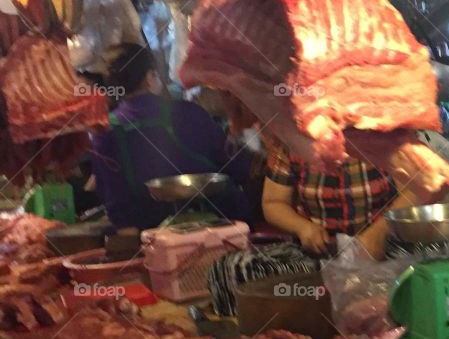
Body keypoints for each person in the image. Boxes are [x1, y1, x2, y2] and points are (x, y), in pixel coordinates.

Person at [89, 43, 250, 232]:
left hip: (150, 235)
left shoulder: (104, 131)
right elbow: (238, 167)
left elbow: (116, 205)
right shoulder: (189, 113)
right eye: (156, 74)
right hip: (224, 227)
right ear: (150, 78)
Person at [261, 140, 407, 259]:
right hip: (320, 255)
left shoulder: (384, 136)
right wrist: (303, 228)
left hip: (382, 250)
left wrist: (380, 231)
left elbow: (413, 191)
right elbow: (274, 202)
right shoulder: (288, 139)